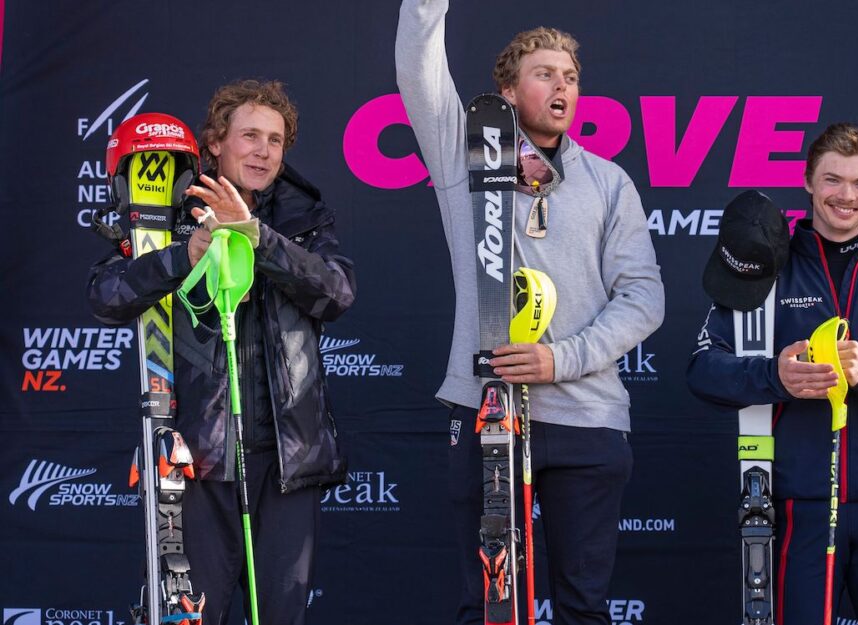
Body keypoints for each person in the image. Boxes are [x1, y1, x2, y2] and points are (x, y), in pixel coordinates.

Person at [396, 4, 665, 625]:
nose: (562, 86)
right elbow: (419, 67)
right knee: (489, 604)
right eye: (544, 74)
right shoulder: (462, 157)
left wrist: (558, 360)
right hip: (484, 406)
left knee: (583, 606)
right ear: (508, 91)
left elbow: (645, 297)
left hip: (586, 416)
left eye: (570, 75)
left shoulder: (607, 181)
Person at [88, 79, 355, 625]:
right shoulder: (163, 206)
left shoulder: (303, 216)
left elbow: (336, 294)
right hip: (198, 462)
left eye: (275, 140)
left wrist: (259, 237)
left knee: (280, 615)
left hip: (288, 458)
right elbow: (107, 297)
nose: (263, 150)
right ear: (214, 143)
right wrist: (183, 255)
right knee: (188, 615)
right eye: (249, 135)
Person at [687, 123, 858, 625]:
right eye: (833, 180)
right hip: (796, 504)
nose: (846, 196)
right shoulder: (763, 268)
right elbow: (703, 369)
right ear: (809, 181)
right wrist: (775, 376)